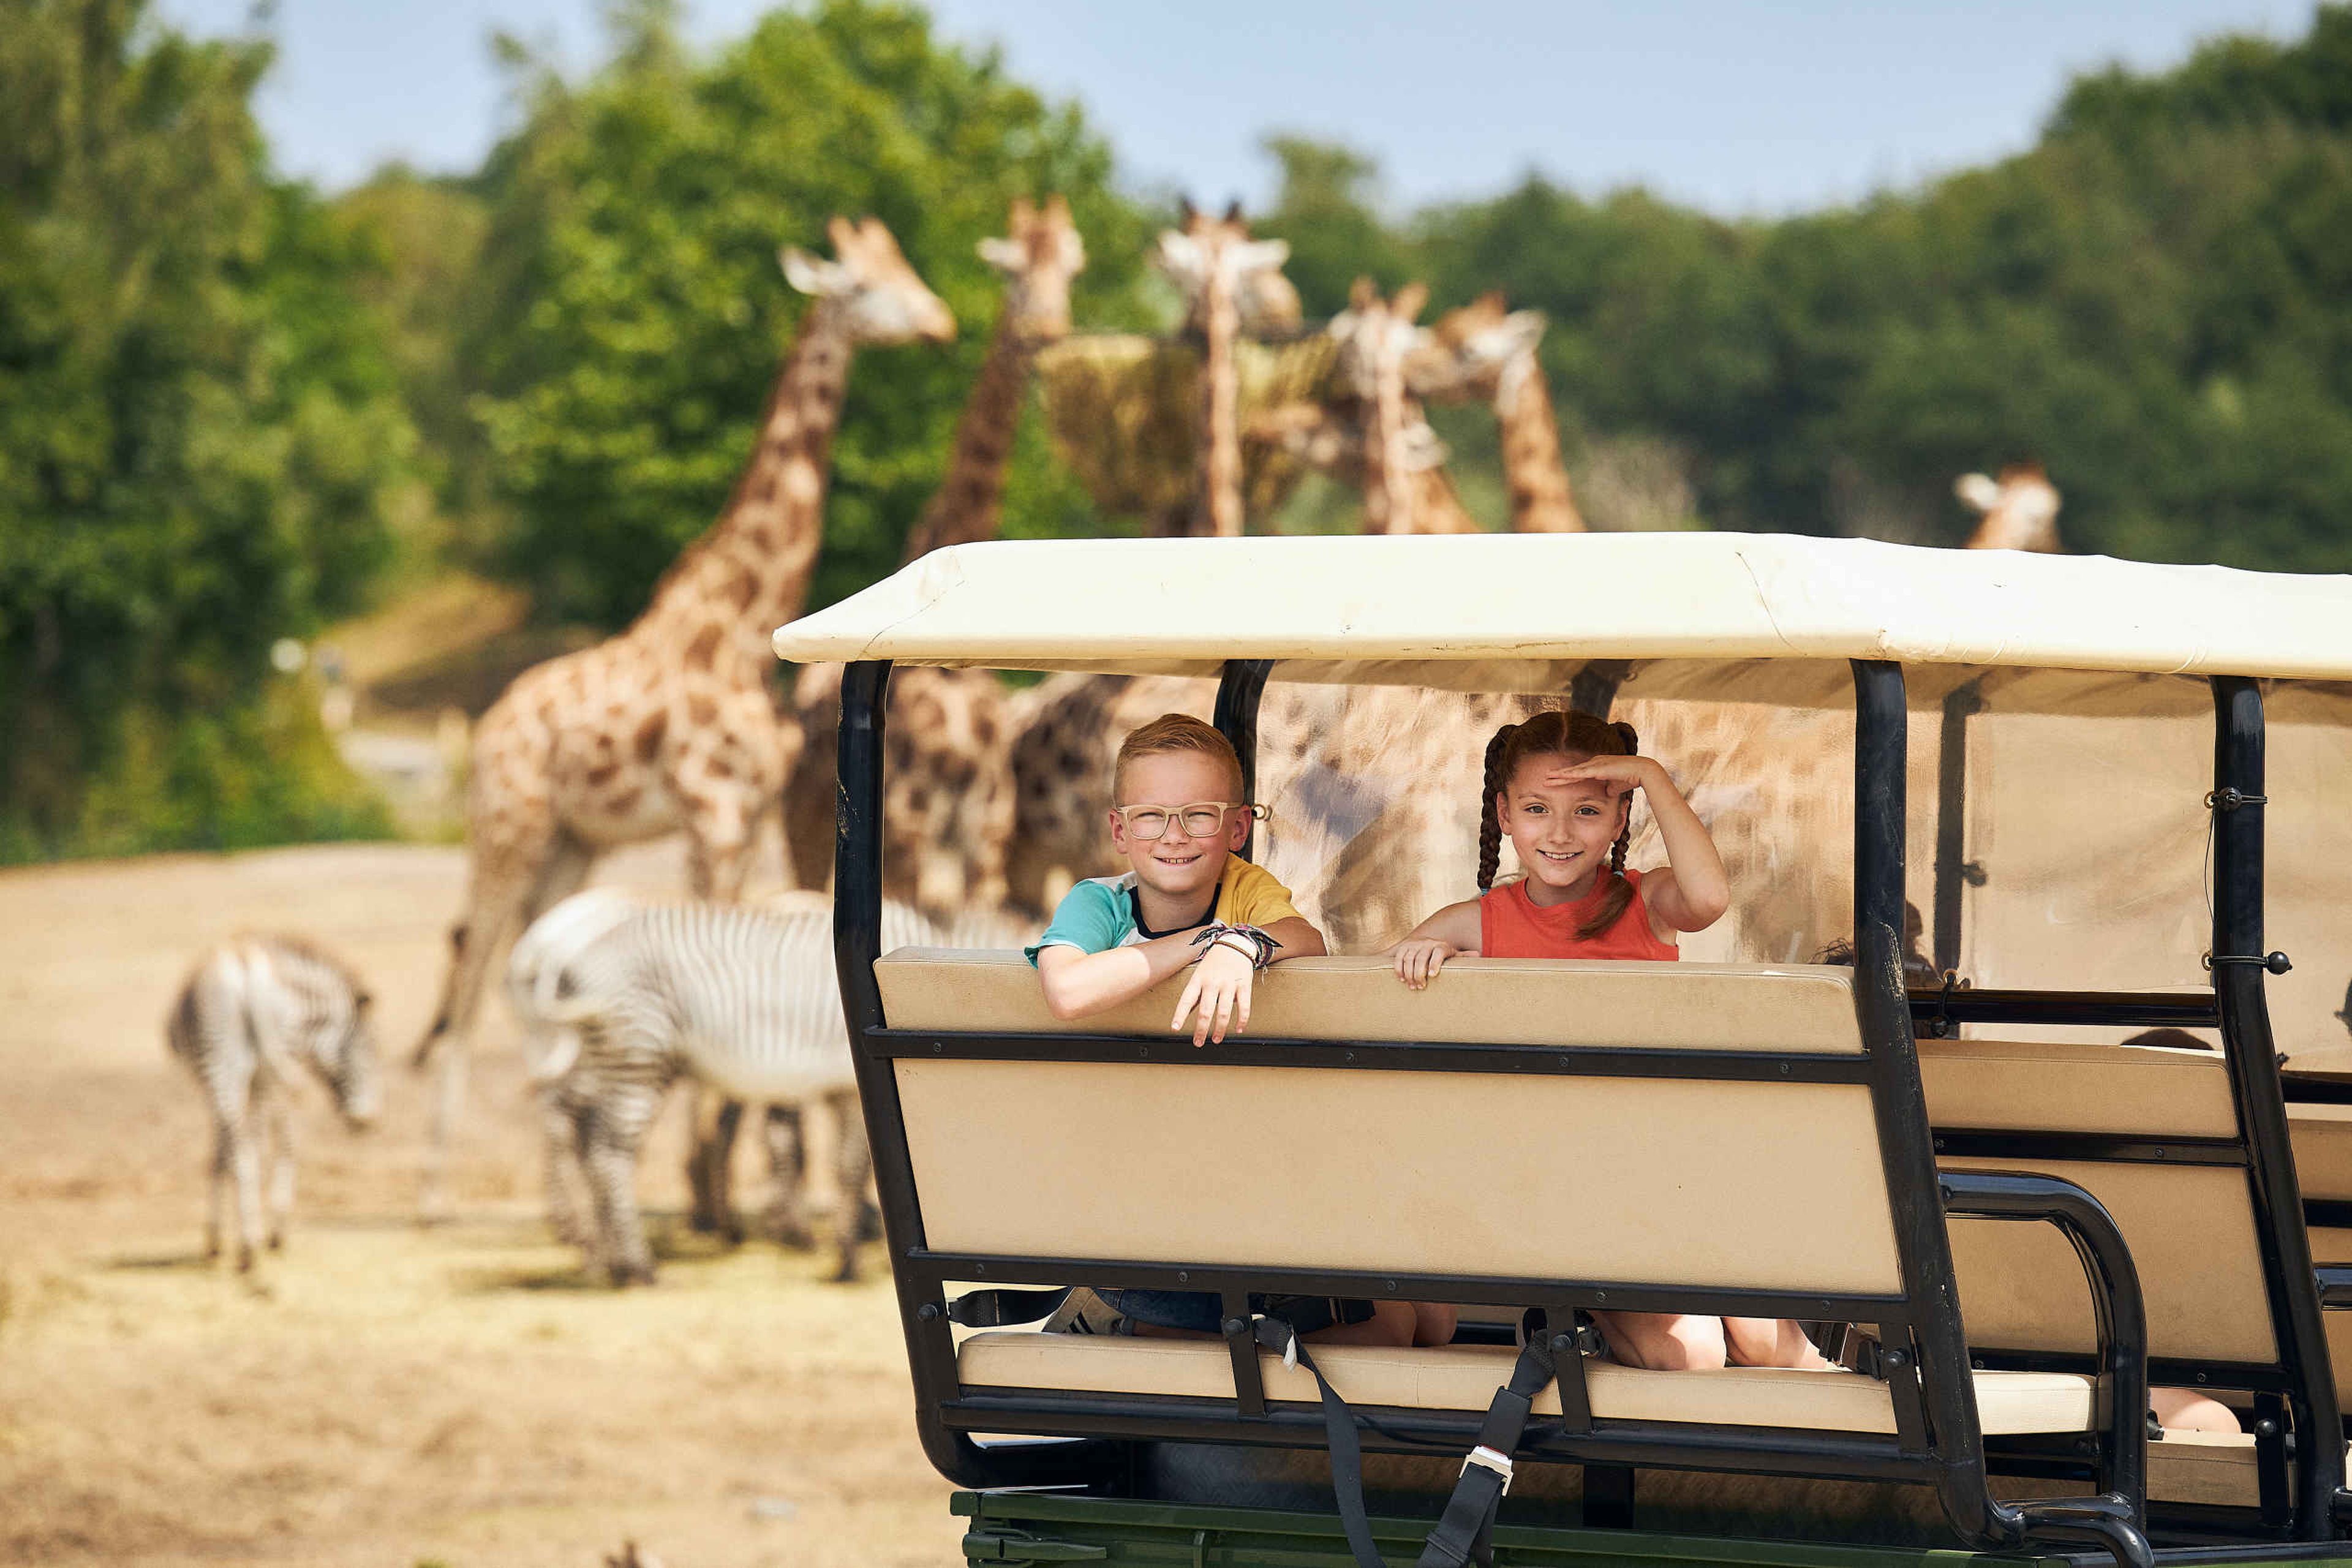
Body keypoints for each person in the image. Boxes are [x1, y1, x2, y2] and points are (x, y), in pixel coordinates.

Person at [1390, 709, 1828, 1372]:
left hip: (1659, 1168)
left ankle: (1854, 1439)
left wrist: (1651, 777)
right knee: (1696, 1356)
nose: (1561, 833)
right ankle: (1582, 1309)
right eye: (1538, 808)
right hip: (1551, 1182)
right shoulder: (1469, 925)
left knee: (1770, 1342)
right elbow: (1382, 1004)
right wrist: (1424, 962)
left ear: (1621, 819)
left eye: (1588, 812)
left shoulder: (1646, 903)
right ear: (1505, 814)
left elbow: (1708, 897)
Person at [1030, 714, 1445, 1347]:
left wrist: (1242, 943)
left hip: (1245, 1191)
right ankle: (1136, 1316)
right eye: (1151, 816)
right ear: (1119, 829)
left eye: (1200, 814)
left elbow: (1309, 941)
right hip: (1138, 1201)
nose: (1175, 835)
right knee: (1397, 1324)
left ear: (1238, 826)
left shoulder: (1246, 892)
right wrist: (1206, 943)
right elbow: (1066, 989)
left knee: (1428, 1318)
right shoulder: (1097, 904)